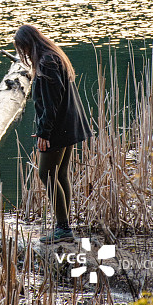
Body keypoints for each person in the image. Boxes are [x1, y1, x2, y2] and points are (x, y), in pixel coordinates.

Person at [13, 24, 91, 243]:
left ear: (28, 44)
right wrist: (41, 130)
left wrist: (44, 133)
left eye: (22, 48)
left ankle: (63, 229)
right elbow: (53, 101)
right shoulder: (54, 56)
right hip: (68, 125)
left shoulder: (47, 62)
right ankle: (65, 226)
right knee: (60, 174)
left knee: (46, 174)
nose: (24, 53)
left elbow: (51, 103)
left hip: (58, 129)